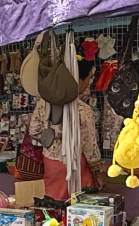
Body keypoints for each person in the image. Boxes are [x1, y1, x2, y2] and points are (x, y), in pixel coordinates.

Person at [27, 65, 105, 199]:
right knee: (79, 202)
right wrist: (98, 171)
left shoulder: (43, 102)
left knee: (53, 200)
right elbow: (89, 144)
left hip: (51, 161)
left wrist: (51, 141)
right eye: (88, 79)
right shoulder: (82, 109)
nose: (89, 83)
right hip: (76, 162)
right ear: (77, 80)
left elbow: (34, 131)